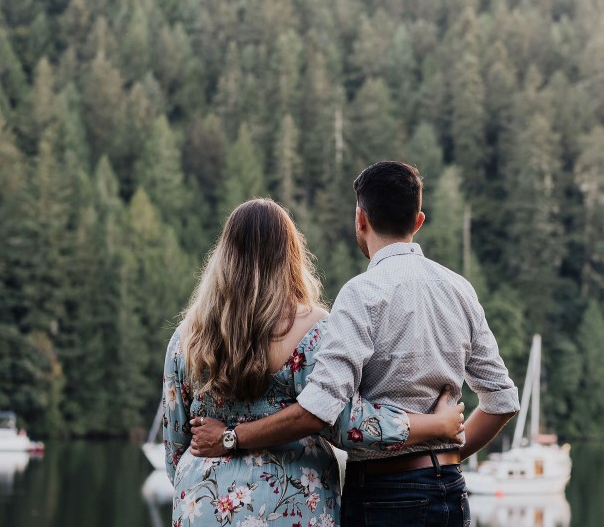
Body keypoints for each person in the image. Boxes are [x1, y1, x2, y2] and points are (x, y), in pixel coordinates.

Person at [192, 162, 520, 527]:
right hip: (451, 491)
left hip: (384, 494)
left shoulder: (362, 294)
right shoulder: (460, 289)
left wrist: (231, 437)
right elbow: (502, 401)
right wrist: (448, 451)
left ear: (360, 219)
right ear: (418, 221)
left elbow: (318, 411)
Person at [162, 198, 464, 527]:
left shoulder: (186, 338)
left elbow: (175, 449)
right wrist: (436, 426)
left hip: (201, 505)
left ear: (224, 254)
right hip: (292, 506)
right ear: (290, 254)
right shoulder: (313, 331)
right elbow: (348, 424)